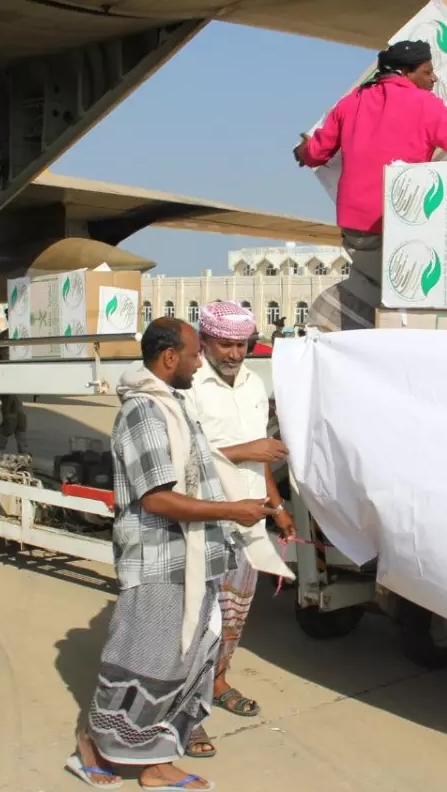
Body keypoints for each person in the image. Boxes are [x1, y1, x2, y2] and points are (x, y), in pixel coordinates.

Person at [74, 317, 288, 791]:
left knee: (181, 660)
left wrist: (258, 506)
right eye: (193, 354)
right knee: (142, 660)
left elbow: (203, 464)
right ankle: (92, 745)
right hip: (158, 560)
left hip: (192, 557)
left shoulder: (171, 403)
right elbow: (157, 498)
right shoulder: (144, 412)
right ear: (169, 358)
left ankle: (153, 759)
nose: (198, 363)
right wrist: (232, 509)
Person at [294, 39, 447, 332]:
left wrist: (304, 150)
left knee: (376, 281)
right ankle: (329, 323)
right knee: (399, 295)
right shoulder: (424, 105)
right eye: (428, 72)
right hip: (398, 221)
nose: (434, 78)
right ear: (407, 72)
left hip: (356, 226)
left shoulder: (352, 102)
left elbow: (315, 154)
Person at [181, 302, 295, 757]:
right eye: (225, 343)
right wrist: (251, 446)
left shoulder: (253, 384)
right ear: (205, 341)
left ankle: (220, 681)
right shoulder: (190, 385)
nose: (233, 353)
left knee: (234, 616)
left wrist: (278, 505)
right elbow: (188, 453)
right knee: (199, 621)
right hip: (206, 517)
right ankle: (188, 715)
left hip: (249, 520)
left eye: (241, 344)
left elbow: (259, 458)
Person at [0, 329, 28, 454]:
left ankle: (23, 449)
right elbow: (5, 357)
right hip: (5, 380)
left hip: (10, 379)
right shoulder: (7, 335)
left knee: (19, 417)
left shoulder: (12, 333)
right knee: (12, 417)